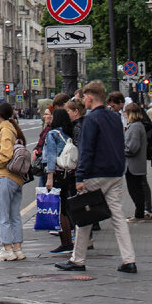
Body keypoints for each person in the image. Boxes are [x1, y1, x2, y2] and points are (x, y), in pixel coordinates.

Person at [55, 82, 137, 274]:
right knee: (118, 217)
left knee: (85, 217)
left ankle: (77, 260)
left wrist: (80, 176)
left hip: (95, 174)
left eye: (84, 98)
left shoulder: (90, 120)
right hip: (115, 173)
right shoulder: (115, 117)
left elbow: (87, 149)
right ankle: (129, 260)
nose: (83, 101)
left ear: (90, 98)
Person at [0, 100, 27, 262]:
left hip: (5, 176)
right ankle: (17, 249)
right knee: (14, 215)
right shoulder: (13, 129)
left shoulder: (4, 130)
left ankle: (7, 249)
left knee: (1, 213)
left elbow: (5, 152)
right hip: (16, 179)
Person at [49, 102, 85, 255]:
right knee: (69, 205)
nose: (48, 118)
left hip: (58, 173)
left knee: (61, 209)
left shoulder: (53, 134)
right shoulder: (70, 132)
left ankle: (66, 242)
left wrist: (49, 177)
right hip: (70, 173)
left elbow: (50, 157)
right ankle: (71, 239)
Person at [123, 102, 149, 222]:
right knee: (137, 189)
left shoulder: (135, 127)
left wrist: (120, 149)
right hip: (135, 165)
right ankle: (139, 213)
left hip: (133, 165)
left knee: (135, 190)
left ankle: (139, 214)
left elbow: (132, 148)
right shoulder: (136, 126)